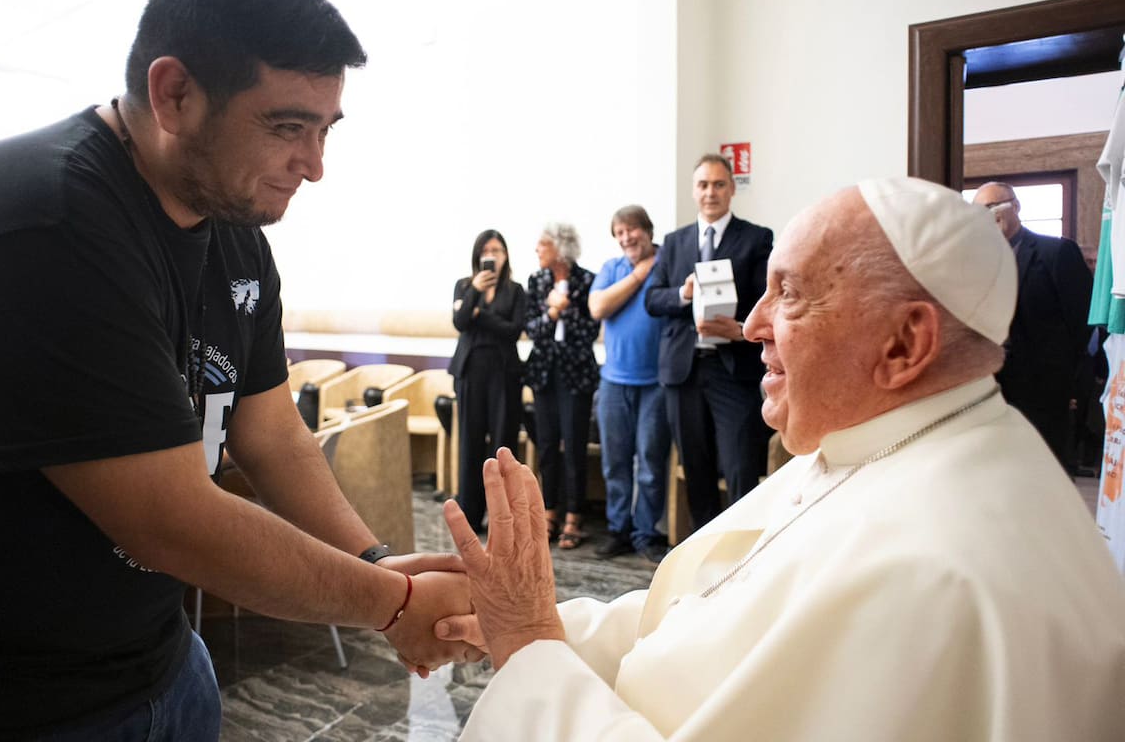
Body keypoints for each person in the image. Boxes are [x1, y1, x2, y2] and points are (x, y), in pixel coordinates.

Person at [0, 0, 478, 740]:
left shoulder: (234, 230)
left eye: (326, 129)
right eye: (287, 126)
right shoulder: (43, 223)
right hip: (5, 700)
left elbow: (269, 431)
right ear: (174, 92)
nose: (315, 166)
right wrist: (391, 605)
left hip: (160, 664)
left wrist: (375, 558)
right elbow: (169, 517)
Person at [439, 177, 1125, 741]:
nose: (754, 321)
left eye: (790, 293)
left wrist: (531, 649)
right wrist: (542, 625)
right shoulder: (879, 438)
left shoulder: (936, 573)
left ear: (904, 344)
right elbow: (698, 611)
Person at [646, 153, 773, 529]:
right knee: (695, 467)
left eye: (719, 184)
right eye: (703, 185)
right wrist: (683, 294)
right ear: (693, 191)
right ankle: (703, 555)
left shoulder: (755, 238)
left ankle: (742, 555)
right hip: (683, 372)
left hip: (733, 370)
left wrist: (741, 328)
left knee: (739, 466)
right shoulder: (673, 242)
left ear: (732, 189)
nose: (711, 192)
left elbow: (768, 300)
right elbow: (653, 299)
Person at [973, 181, 1094, 471]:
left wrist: (1071, 382)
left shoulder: (1055, 252)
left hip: (1045, 390)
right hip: (993, 388)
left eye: (994, 206)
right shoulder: (976, 263)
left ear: (1015, 206)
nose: (989, 215)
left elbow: (1082, 323)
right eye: (979, 211)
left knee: (1046, 471)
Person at [588, 205, 671, 563]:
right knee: (615, 463)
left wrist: (650, 271)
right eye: (619, 233)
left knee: (651, 464)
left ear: (648, 231)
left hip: (656, 384)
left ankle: (646, 533)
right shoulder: (612, 268)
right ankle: (618, 529)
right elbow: (597, 307)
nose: (626, 238)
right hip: (613, 383)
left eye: (632, 230)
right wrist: (638, 276)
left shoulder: (668, 262)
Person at [524, 223, 601, 550]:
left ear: (560, 248)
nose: (537, 250)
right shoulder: (537, 281)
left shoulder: (587, 280)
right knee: (547, 446)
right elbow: (532, 329)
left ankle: (574, 515)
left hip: (576, 376)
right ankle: (549, 511)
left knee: (574, 446)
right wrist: (553, 312)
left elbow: (589, 332)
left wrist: (566, 310)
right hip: (544, 373)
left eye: (543, 244)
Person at [449, 229, 526, 531]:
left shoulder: (516, 290)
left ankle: (502, 517)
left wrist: (481, 316)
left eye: (498, 250)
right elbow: (460, 322)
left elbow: (513, 330)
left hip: (504, 374)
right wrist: (474, 296)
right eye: (487, 250)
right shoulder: (464, 286)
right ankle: (470, 513)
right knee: (470, 441)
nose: (492, 255)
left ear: (506, 255)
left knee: (502, 444)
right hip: (470, 371)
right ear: (478, 255)